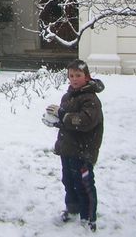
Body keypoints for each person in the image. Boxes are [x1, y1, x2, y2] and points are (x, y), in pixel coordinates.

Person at [42, 59, 104, 232]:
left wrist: (62, 114)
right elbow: (66, 121)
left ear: (87, 76)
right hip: (68, 148)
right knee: (69, 181)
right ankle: (73, 208)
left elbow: (84, 121)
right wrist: (55, 121)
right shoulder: (68, 96)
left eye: (78, 75)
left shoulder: (90, 99)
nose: (74, 79)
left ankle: (88, 217)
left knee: (84, 184)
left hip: (83, 151)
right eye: (71, 75)